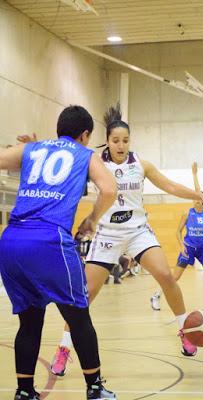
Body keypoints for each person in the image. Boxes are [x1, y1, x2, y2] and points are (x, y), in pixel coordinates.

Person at [51, 103, 203, 375]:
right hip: (106, 233)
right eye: (116, 140)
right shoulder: (93, 162)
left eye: (125, 140)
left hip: (138, 230)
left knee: (166, 275)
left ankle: (185, 331)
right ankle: (63, 349)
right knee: (84, 295)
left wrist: (197, 195)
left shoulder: (140, 164)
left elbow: (170, 186)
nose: (121, 145)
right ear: (106, 141)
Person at [0, 105, 117, 400]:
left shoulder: (32, 149)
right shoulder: (85, 154)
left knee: (29, 321)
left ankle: (24, 391)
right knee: (79, 318)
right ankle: (95, 388)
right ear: (85, 135)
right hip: (49, 241)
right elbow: (109, 190)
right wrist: (91, 220)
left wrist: (23, 149)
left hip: (11, 240)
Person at [150, 163, 203, 311]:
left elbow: (199, 191)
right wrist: (181, 245)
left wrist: (195, 176)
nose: (197, 199)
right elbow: (177, 232)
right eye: (195, 198)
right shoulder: (187, 213)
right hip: (189, 248)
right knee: (174, 278)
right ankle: (156, 296)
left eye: (199, 198)